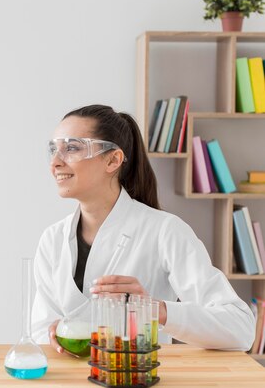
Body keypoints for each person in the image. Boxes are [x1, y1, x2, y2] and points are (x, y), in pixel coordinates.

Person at [31, 104, 255, 352]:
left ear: (113, 159)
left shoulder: (165, 231)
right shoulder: (52, 239)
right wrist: (51, 333)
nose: (55, 163)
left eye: (72, 148)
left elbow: (241, 329)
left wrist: (154, 310)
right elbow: (40, 330)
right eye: (53, 150)